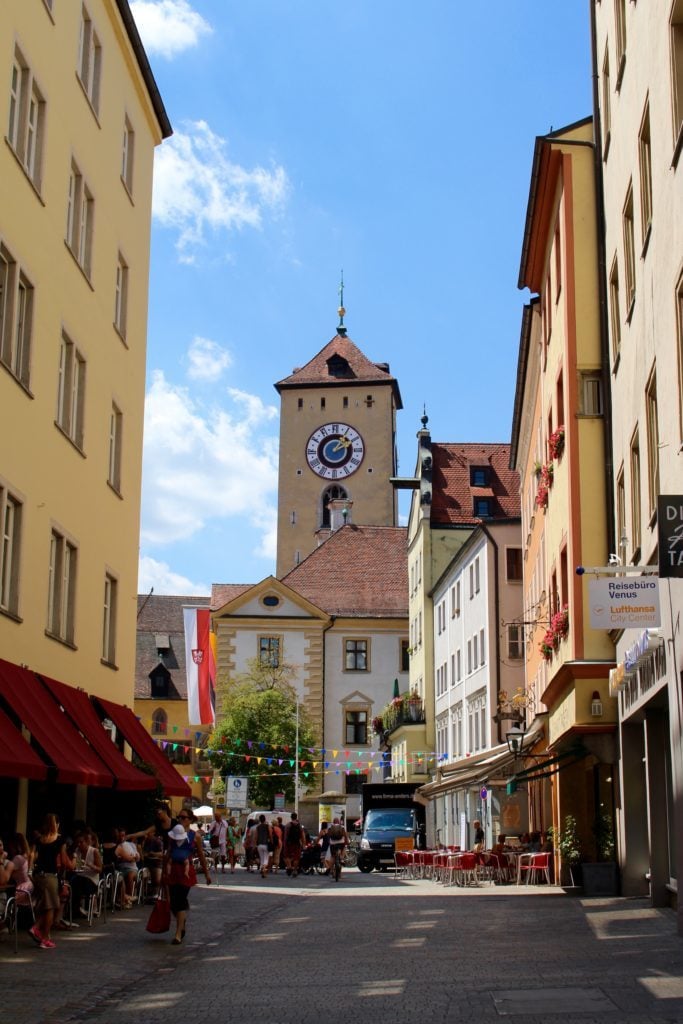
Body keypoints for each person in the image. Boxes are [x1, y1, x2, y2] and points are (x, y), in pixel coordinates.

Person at [164, 810, 211, 945]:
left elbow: (201, 855)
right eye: (179, 817)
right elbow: (168, 852)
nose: (180, 819)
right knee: (173, 902)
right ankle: (182, 920)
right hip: (173, 870)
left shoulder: (195, 836)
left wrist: (207, 874)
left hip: (186, 871)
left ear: (190, 820)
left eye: (184, 817)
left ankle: (178, 933)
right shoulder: (173, 834)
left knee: (180, 899)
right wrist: (163, 871)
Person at [30, 813, 68, 949]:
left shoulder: (39, 839)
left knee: (46, 905)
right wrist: (63, 872)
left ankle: (36, 928)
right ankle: (44, 938)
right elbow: (63, 861)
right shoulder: (59, 840)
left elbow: (32, 854)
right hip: (50, 875)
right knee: (52, 907)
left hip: (37, 875)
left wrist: (30, 871)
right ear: (56, 824)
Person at [69, 831, 102, 918]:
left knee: (77, 881)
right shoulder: (77, 851)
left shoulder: (94, 851)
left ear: (87, 842)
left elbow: (100, 869)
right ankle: (75, 909)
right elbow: (76, 866)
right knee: (72, 880)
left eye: (81, 842)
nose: (79, 845)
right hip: (80, 877)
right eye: (77, 843)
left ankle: (77, 908)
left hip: (91, 880)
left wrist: (90, 865)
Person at [114, 827, 140, 907]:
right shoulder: (117, 846)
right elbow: (128, 858)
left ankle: (129, 897)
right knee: (120, 877)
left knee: (130, 875)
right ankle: (126, 898)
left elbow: (137, 858)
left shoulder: (131, 844)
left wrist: (132, 858)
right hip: (120, 868)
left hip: (132, 868)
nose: (122, 838)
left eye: (123, 836)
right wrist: (130, 858)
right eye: (120, 836)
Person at [283, 812, 305, 877]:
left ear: (291, 817)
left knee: (287, 856)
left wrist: (285, 843)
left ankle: (289, 867)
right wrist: (303, 844)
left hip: (289, 843)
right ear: (296, 817)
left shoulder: (288, 825)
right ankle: (295, 870)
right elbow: (303, 836)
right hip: (297, 843)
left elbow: (285, 835)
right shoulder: (299, 826)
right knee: (296, 857)